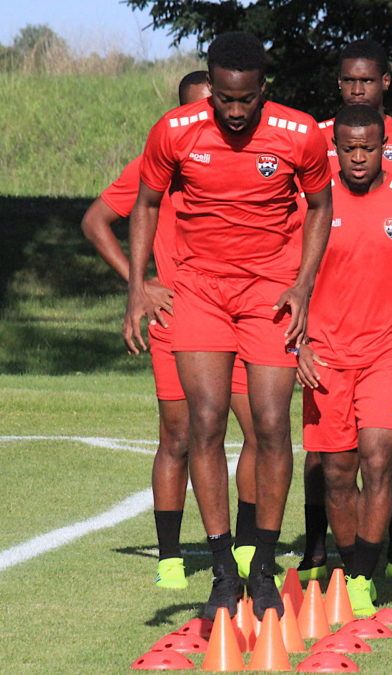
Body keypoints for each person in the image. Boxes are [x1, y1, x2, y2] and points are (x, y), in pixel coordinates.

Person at [123, 32, 333, 620]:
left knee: (270, 424)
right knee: (206, 421)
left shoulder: (299, 134)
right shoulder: (175, 130)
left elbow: (321, 207)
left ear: (264, 88)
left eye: (246, 100)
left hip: (268, 291)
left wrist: (303, 286)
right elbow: (143, 204)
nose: (236, 112)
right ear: (210, 87)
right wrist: (139, 287)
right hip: (198, 290)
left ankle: (261, 567)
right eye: (225, 99)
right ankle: (221, 569)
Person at [81, 72, 259, 590]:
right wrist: (139, 285)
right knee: (179, 436)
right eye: (198, 109)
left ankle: (245, 546)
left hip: (239, 314)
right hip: (178, 316)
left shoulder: (244, 162)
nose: (211, 118)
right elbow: (95, 221)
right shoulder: (153, 166)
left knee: (257, 429)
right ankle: (170, 555)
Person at [299, 38, 392, 587]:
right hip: (327, 355)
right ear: (335, 148)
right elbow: (291, 286)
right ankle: (343, 560)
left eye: (369, 150)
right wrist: (300, 346)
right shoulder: (310, 207)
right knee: (337, 472)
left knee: (379, 458)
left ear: (385, 145)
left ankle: (362, 579)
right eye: (348, 151)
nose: (358, 159)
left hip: (388, 353)